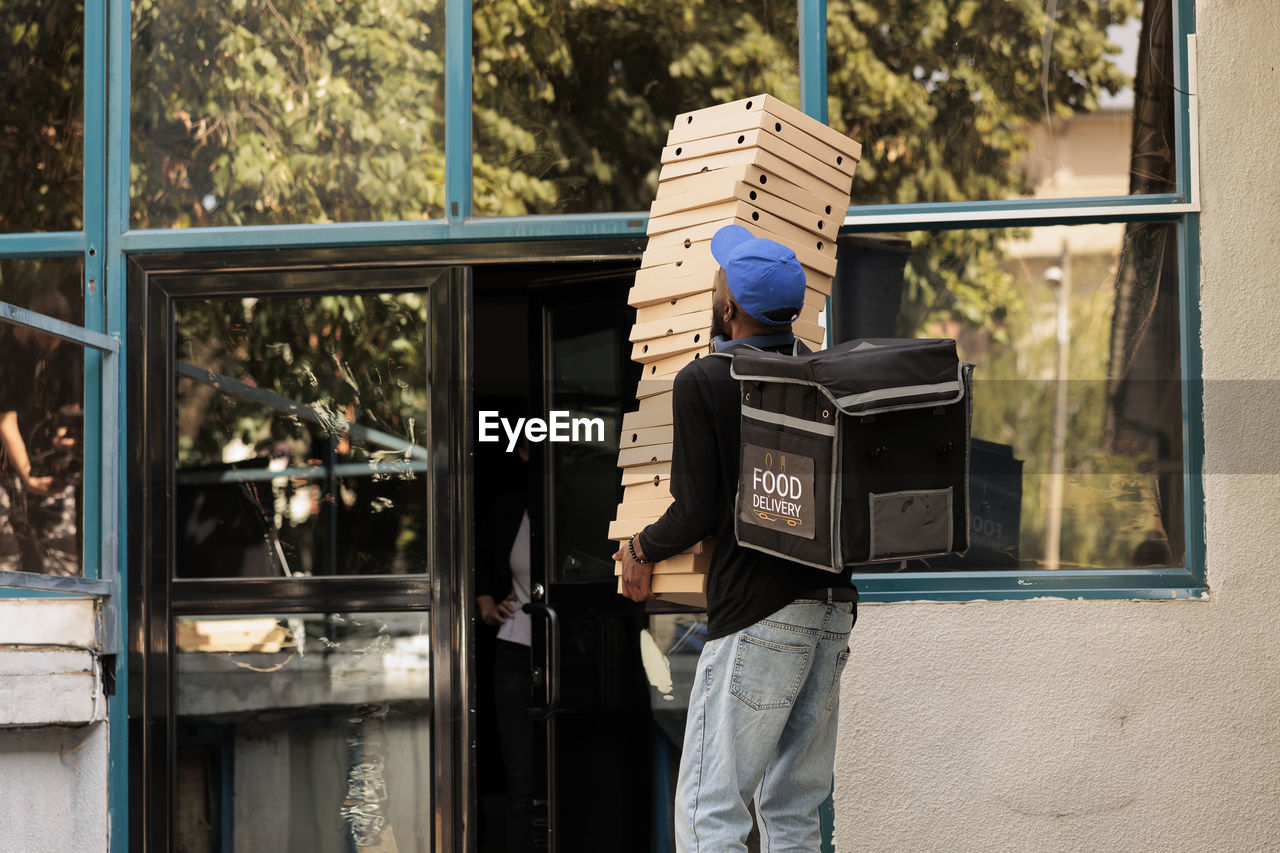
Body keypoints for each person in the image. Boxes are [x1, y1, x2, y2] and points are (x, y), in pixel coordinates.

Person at [615, 224, 858, 852]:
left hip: (758, 615)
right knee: (793, 807)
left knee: (709, 807)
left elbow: (695, 509)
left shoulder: (707, 379)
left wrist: (639, 549)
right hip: (831, 612)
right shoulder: (824, 374)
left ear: (730, 308)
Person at [476, 436, 534, 853]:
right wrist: (485, 603)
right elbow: (479, 556)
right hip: (516, 650)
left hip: (574, 650)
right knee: (521, 786)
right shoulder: (507, 505)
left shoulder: (575, 500)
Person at [0, 291, 82, 576]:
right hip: (12, 469)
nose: (52, 344)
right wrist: (27, 476)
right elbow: (5, 422)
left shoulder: (63, 355)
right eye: (48, 336)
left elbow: (69, 409)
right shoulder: (9, 356)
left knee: (61, 561)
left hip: (45, 466)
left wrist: (64, 436)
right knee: (9, 559)